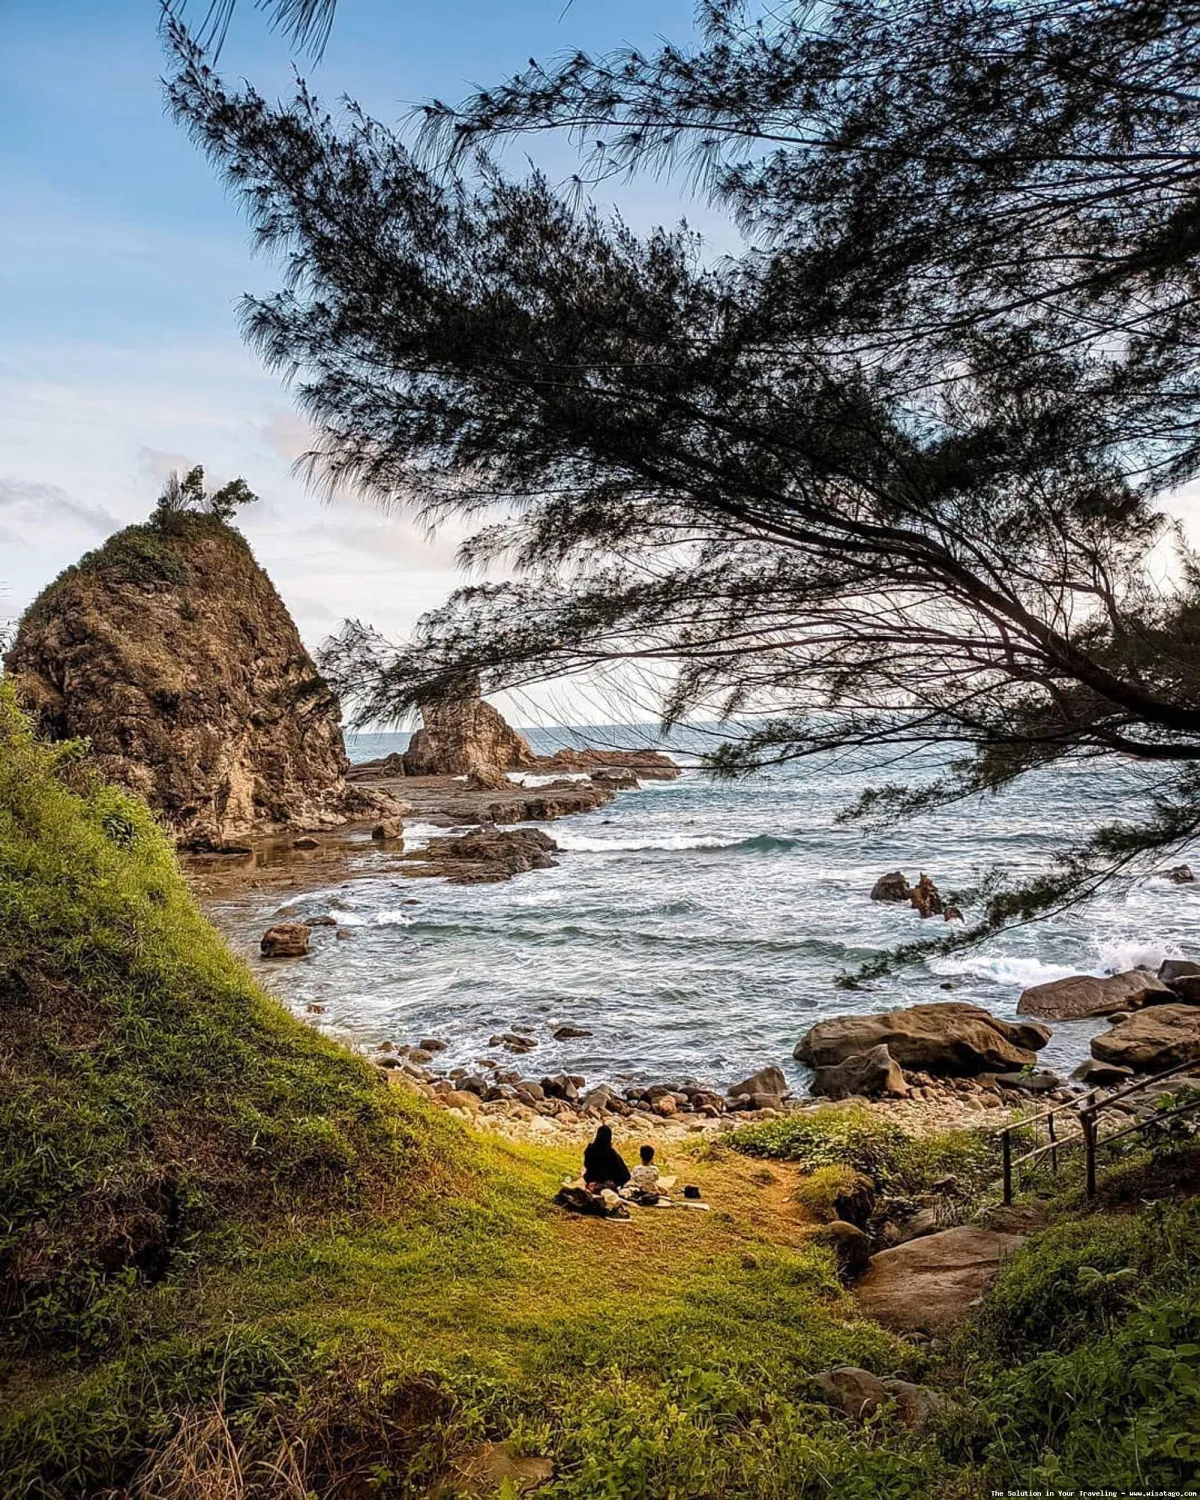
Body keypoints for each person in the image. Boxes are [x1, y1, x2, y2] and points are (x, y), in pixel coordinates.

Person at [582, 1124, 630, 1190]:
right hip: (606, 1180)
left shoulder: (590, 1149)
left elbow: (586, 1164)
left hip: (591, 1178)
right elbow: (624, 1174)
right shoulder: (611, 1152)